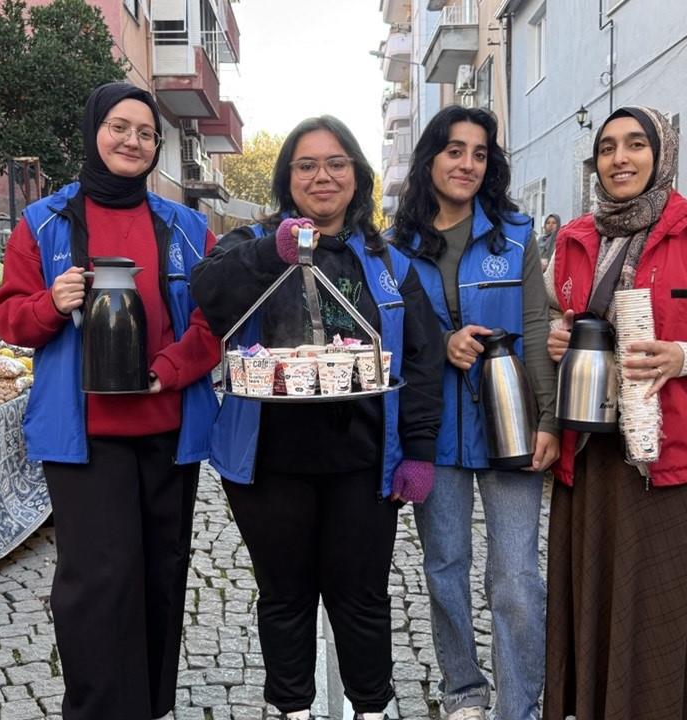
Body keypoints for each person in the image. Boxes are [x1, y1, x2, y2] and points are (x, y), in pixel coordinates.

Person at [190, 116, 444, 720]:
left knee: (361, 597)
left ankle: (371, 708)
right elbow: (206, 291)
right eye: (306, 165)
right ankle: (291, 709)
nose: (322, 176)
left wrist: (420, 449)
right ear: (287, 178)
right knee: (285, 596)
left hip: (363, 460)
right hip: (267, 460)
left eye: (336, 163)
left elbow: (423, 361)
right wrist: (267, 250)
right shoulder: (251, 241)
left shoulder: (388, 263)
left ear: (357, 175)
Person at [0, 82, 221, 720]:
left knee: (161, 572)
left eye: (146, 134)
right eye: (121, 127)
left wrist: (170, 369)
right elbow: (8, 320)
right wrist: (49, 303)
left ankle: (149, 706)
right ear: (94, 131)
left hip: (168, 427)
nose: (133, 141)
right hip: (83, 434)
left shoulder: (186, 226)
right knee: (97, 583)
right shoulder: (44, 223)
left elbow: (212, 324)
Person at [543, 106, 687, 719]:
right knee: (597, 599)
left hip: (664, 463)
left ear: (661, 153)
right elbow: (552, 316)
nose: (620, 158)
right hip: (591, 459)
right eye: (609, 146)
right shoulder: (577, 239)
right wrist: (558, 339)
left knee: (663, 609)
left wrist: (682, 355)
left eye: (636, 144)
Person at [388, 105, 558, 720]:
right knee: (444, 569)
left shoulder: (515, 235)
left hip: (511, 426)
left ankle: (518, 706)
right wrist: (441, 346)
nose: (466, 163)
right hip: (435, 432)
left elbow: (537, 328)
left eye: (479, 153)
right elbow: (394, 340)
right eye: (454, 150)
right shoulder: (396, 247)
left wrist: (551, 422)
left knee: (515, 579)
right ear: (430, 157)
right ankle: (464, 691)